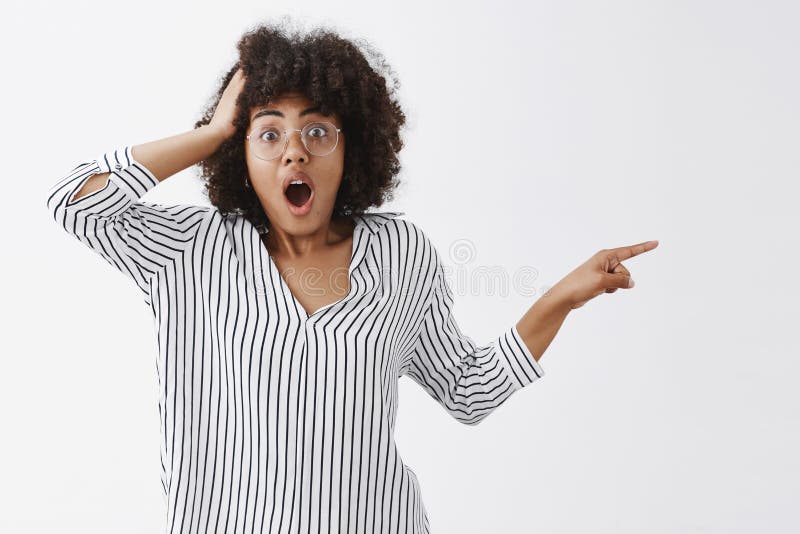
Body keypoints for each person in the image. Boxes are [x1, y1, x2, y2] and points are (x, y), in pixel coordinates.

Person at [45, 20, 658, 534]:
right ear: (241, 152)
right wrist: (213, 133)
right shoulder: (189, 251)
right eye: (268, 133)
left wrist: (562, 298)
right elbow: (73, 202)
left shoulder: (401, 255)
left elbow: (469, 390)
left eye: (317, 130)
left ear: (353, 146)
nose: (294, 152)